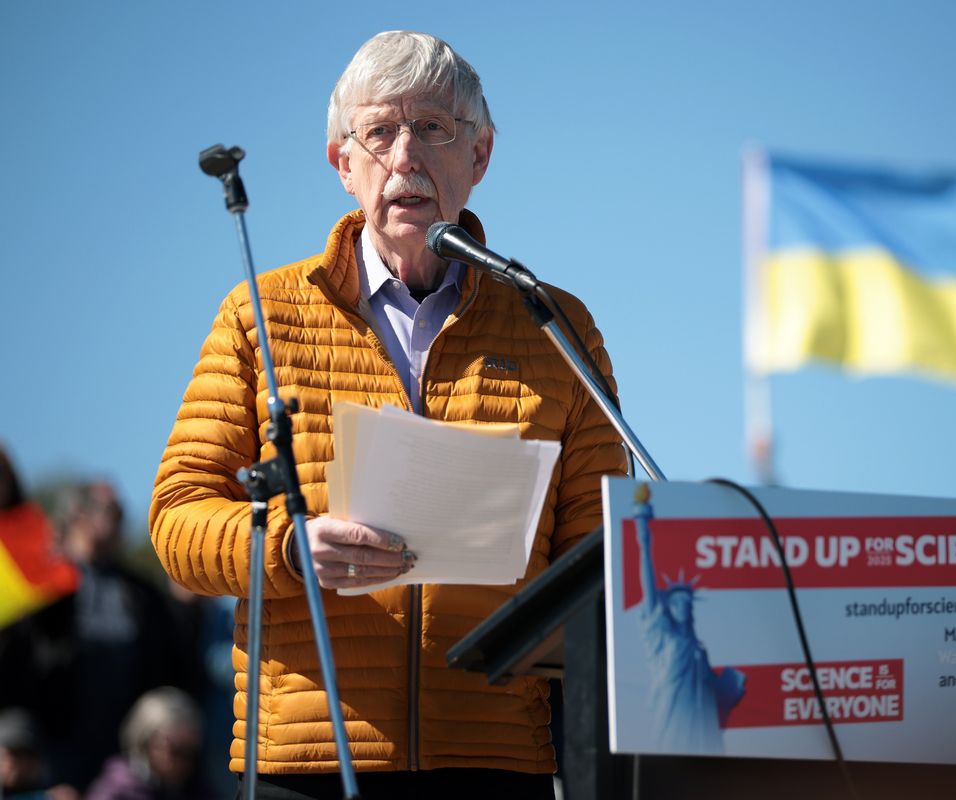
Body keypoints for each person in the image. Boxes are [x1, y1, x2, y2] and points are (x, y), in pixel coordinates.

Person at [149, 30, 626, 797]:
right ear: (342, 164)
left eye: (435, 128)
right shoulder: (259, 316)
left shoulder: (553, 324)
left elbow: (603, 559)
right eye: (378, 132)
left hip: (496, 758)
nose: (405, 156)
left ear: (481, 157)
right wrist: (292, 550)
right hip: (304, 759)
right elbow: (175, 523)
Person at [0, 481, 178, 793]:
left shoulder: (140, 592)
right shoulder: (46, 581)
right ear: (79, 514)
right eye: (113, 511)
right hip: (54, 741)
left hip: (121, 747)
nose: (121, 521)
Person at [632, 485, 744, 754]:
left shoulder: (698, 650)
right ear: (667, 607)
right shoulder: (659, 636)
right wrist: (642, 531)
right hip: (674, 731)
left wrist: (731, 684)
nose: (683, 606)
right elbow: (648, 585)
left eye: (687, 602)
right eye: (676, 602)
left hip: (705, 738)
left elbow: (717, 696)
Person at [86, 687, 218, 800]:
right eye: (176, 750)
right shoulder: (116, 789)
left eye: (191, 753)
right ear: (147, 741)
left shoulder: (196, 790)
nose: (183, 762)